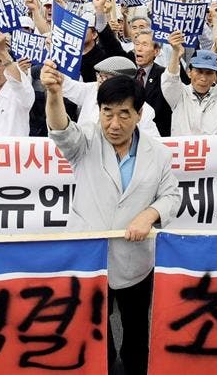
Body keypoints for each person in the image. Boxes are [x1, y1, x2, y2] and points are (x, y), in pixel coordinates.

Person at [42, 66, 180, 375]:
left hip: (136, 261)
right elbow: (62, 131)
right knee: (93, 328)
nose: (114, 124)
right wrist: (54, 95)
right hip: (90, 258)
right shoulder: (87, 140)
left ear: (139, 114)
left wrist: (150, 214)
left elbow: (171, 196)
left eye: (123, 114)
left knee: (135, 329)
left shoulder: (157, 154)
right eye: (107, 113)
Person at [161, 30, 217, 136]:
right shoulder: (179, 94)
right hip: (184, 152)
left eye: (209, 73)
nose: (203, 78)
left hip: (213, 152)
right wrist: (175, 52)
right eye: (199, 72)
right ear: (189, 73)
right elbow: (170, 79)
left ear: (215, 75)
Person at [63, 55, 160, 136]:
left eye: (105, 77)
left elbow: (154, 142)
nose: (100, 80)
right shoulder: (92, 90)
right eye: (99, 75)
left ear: (122, 81)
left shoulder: (144, 110)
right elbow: (65, 85)